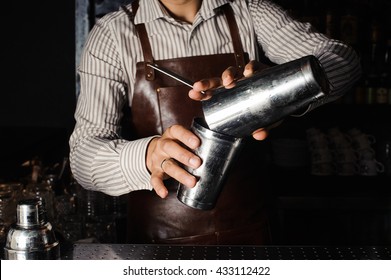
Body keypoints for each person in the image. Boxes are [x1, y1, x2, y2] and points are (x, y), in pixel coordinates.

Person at [69, 0, 361, 245]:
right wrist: (147, 156)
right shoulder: (112, 35)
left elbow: (345, 61)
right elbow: (83, 158)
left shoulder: (250, 12)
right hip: (155, 247)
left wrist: (277, 93)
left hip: (251, 235)